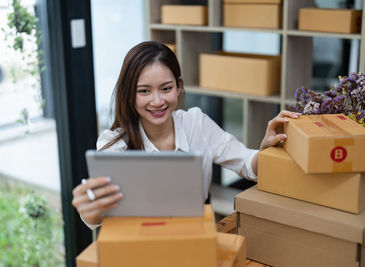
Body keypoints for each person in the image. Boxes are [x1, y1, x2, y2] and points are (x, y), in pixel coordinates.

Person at [72, 41, 299, 230]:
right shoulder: (114, 144)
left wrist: (267, 149)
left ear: (178, 87)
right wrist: (89, 210)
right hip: (139, 241)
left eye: (166, 88)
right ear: (129, 94)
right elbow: (96, 218)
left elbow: (248, 164)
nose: (158, 101)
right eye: (144, 91)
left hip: (195, 232)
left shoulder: (195, 123)